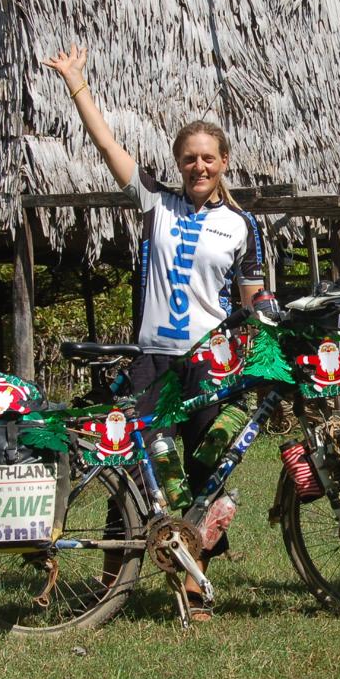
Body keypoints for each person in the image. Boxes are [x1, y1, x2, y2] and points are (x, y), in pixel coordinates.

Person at [43, 45, 265, 621]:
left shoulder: (242, 224)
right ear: (177, 162)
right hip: (152, 362)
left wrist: (266, 345)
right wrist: (76, 84)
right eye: (190, 159)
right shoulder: (155, 204)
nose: (199, 167)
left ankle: (194, 584)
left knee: (205, 469)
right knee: (137, 470)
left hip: (213, 364)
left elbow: (253, 302)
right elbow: (107, 147)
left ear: (224, 162)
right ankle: (110, 584)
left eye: (209, 158)